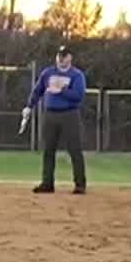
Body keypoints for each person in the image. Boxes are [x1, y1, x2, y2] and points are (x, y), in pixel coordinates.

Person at [23, 46, 87, 194]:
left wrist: (63, 90)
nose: (61, 59)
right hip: (50, 114)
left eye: (64, 56)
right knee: (48, 150)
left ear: (70, 58)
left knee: (75, 150)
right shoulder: (48, 73)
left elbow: (78, 96)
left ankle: (80, 184)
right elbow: (37, 90)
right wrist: (29, 106)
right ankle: (47, 183)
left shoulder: (76, 75)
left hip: (69, 114)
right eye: (59, 56)